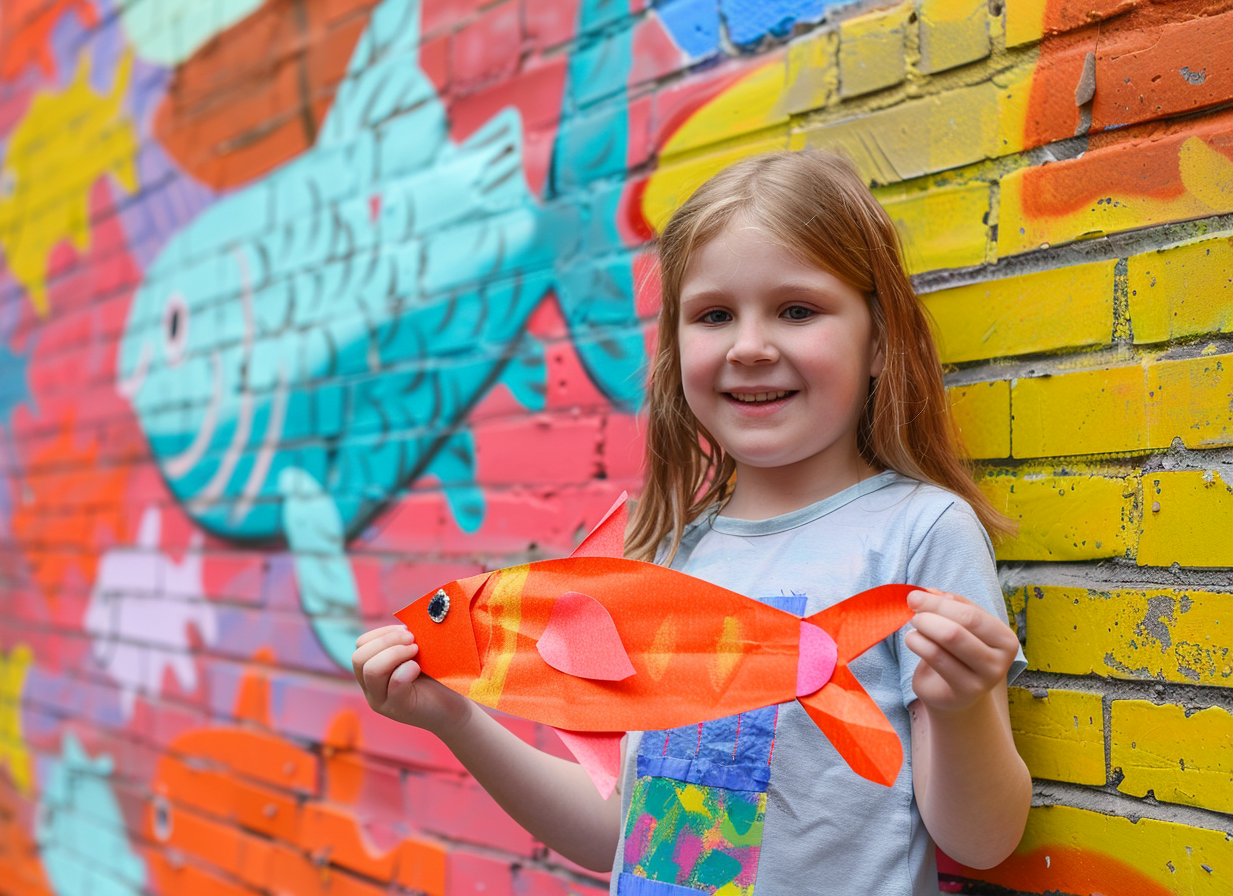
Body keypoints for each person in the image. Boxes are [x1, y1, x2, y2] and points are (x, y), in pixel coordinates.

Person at [352, 150, 1030, 894]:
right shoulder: (663, 555)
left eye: (797, 310)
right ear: (676, 351)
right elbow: (615, 832)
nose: (750, 347)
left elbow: (982, 841)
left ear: (880, 341)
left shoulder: (921, 533)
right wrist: (454, 719)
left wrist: (963, 710)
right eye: (713, 316)